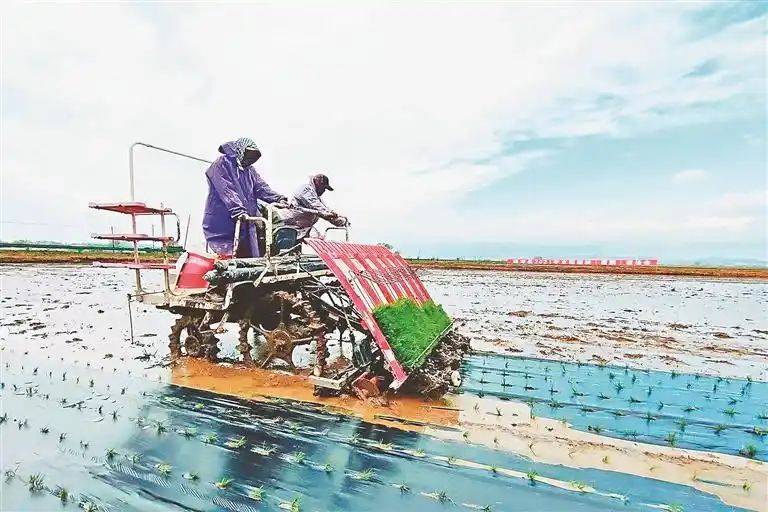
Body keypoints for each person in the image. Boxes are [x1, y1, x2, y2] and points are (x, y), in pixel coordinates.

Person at [202, 138, 287, 257]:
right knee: (228, 258)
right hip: (223, 220)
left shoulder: (250, 171)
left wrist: (278, 198)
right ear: (240, 151)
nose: (250, 160)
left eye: (253, 158)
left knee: (250, 257)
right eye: (249, 156)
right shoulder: (221, 164)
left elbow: (261, 187)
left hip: (246, 221)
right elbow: (226, 190)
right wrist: (238, 210)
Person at [276, 174, 347, 239]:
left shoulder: (316, 196)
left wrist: (340, 220)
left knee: (319, 240)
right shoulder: (305, 190)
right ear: (318, 183)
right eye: (324, 188)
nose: (324, 191)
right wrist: (331, 214)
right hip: (287, 224)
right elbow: (317, 207)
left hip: (302, 228)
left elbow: (326, 210)